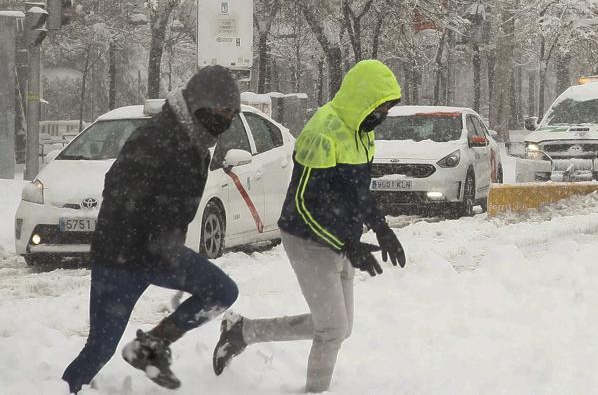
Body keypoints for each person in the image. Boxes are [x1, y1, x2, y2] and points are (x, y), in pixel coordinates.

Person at [212, 60, 406, 393]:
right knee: (332, 329)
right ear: (364, 100)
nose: (382, 116)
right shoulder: (323, 131)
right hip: (306, 237)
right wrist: (347, 245)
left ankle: (242, 331)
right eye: (380, 107)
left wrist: (380, 227)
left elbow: (357, 192)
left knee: (339, 328)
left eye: (387, 109)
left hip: (340, 237)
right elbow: (305, 204)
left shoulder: (363, 134)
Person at [62, 66, 242, 393]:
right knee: (99, 349)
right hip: (119, 257)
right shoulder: (157, 136)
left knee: (222, 291)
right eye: (223, 110)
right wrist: (152, 232)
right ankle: (67, 389)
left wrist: (165, 241)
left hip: (160, 252)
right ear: (201, 103)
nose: (227, 119)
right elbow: (117, 190)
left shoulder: (196, 142)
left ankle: (150, 347)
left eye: (233, 113)